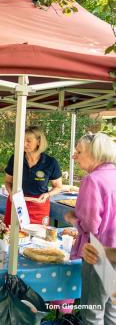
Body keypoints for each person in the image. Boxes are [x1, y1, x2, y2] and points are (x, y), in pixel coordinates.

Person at [63, 132, 116, 324]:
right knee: (112, 311)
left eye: (78, 151)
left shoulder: (92, 180)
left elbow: (91, 225)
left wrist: (72, 219)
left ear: (95, 153)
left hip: (99, 252)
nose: (74, 156)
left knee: (92, 312)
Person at [3, 126, 63, 226]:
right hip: (17, 203)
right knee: (12, 236)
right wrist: (11, 193)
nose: (24, 144)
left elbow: (58, 187)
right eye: (23, 140)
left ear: (39, 141)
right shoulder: (16, 158)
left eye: (28, 141)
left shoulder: (50, 162)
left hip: (38, 206)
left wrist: (47, 195)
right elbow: (8, 181)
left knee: (37, 238)